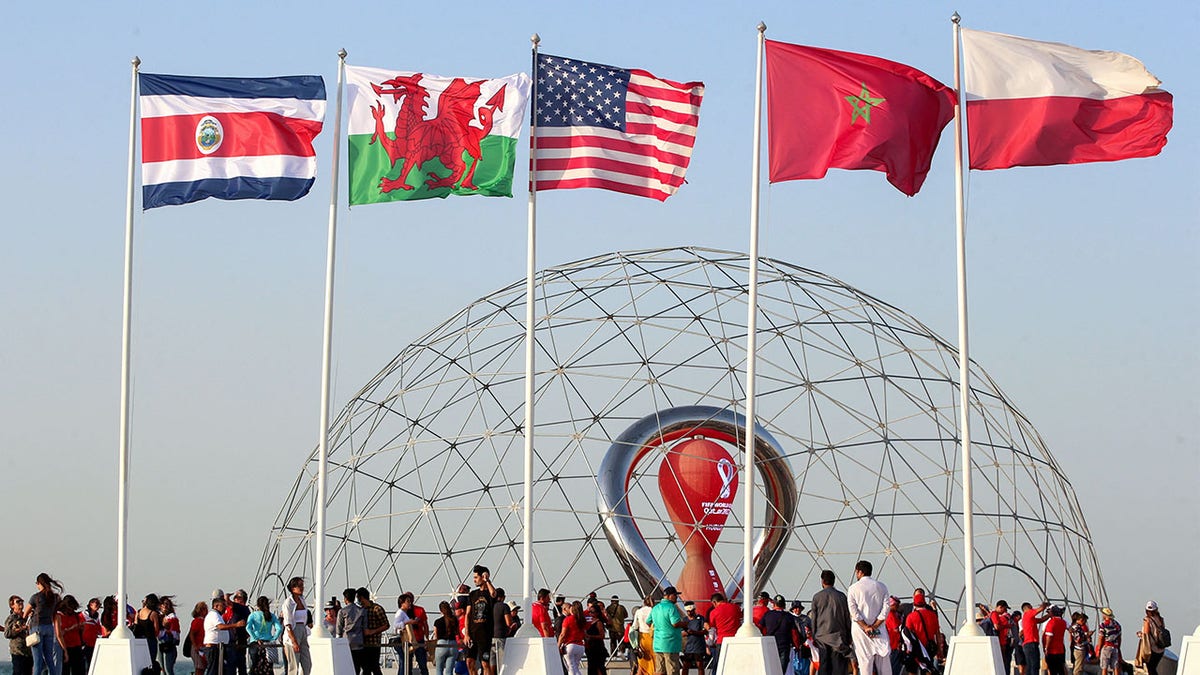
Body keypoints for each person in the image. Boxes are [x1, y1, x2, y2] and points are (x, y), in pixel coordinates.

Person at [846, 561, 890, 675]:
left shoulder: (853, 588)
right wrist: (875, 625)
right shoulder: (882, 586)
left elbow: (854, 612)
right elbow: (886, 609)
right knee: (884, 662)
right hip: (879, 629)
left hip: (860, 630)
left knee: (865, 662)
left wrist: (865, 626)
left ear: (860, 572)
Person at [811, 569, 852, 675]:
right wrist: (849, 637)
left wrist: (814, 636)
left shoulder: (817, 597)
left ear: (822, 581)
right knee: (838, 667)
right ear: (834, 581)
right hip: (838, 638)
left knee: (824, 666)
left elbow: (814, 619)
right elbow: (847, 618)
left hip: (822, 637)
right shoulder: (841, 596)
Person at [24, 572, 65, 675]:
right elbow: (54, 612)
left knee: (38, 660)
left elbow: (25, 614)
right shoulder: (55, 597)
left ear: (39, 583)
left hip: (37, 627)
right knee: (49, 659)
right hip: (49, 627)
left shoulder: (35, 597)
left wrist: (33, 611)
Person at [646, 586, 686, 675]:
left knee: (659, 670)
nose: (676, 597)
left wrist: (658, 627)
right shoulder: (671, 607)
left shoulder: (656, 608)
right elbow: (675, 623)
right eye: (675, 595)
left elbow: (648, 622)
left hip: (658, 643)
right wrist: (686, 624)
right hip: (670, 644)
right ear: (669, 596)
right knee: (672, 669)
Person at [465, 565, 497, 675]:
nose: (474, 580)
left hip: (485, 635)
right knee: (469, 662)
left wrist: (487, 580)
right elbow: (468, 614)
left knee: (485, 663)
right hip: (473, 633)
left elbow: (494, 594)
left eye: (476, 577)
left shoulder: (489, 593)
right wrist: (467, 634)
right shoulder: (473, 594)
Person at [282, 577, 313, 675]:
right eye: (299, 586)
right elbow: (288, 623)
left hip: (303, 630)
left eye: (302, 585)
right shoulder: (288, 603)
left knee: (307, 663)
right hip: (293, 631)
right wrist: (294, 641)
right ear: (293, 588)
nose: (302, 588)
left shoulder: (302, 600)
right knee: (294, 665)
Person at [903, 590, 939, 674]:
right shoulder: (933, 615)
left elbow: (908, 634)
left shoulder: (911, 617)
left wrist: (907, 650)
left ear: (914, 604)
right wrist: (939, 650)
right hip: (929, 647)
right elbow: (937, 633)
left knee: (912, 670)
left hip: (916, 648)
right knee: (927, 668)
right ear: (924, 603)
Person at [247, 596, 283, 675]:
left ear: (258, 605)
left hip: (256, 643)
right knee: (268, 667)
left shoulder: (253, 615)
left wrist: (256, 638)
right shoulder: (271, 616)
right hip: (268, 643)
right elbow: (279, 628)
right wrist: (273, 638)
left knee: (255, 666)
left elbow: (248, 628)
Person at [705, 593, 740, 675]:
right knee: (734, 664)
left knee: (719, 665)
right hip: (735, 639)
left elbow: (712, 628)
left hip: (721, 640)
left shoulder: (713, 612)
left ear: (714, 602)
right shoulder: (735, 607)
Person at [761, 595, 798, 671]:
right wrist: (797, 645)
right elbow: (794, 633)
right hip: (784, 646)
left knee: (771, 669)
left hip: (770, 645)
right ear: (784, 605)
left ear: (774, 604)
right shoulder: (789, 616)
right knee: (781, 670)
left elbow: (760, 628)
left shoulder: (767, 615)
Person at [358, 588, 389, 675]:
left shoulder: (377, 609)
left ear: (362, 598)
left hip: (374, 643)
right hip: (363, 643)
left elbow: (386, 625)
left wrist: (372, 631)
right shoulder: (361, 610)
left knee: (374, 666)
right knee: (366, 667)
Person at [204, 596, 235, 675]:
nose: (225, 608)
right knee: (213, 671)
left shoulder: (218, 616)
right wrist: (236, 625)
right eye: (223, 605)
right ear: (216, 606)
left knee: (220, 670)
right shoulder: (214, 615)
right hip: (213, 647)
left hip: (219, 648)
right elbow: (220, 626)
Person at [336, 589, 364, 675]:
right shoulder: (361, 610)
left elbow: (339, 628)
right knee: (356, 666)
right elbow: (364, 626)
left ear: (345, 599)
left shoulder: (342, 611)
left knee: (346, 665)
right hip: (359, 641)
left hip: (346, 641)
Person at [1019, 601, 1050, 675]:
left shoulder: (1028, 618)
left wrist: (1049, 615)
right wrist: (1045, 605)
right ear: (1027, 608)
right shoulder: (1028, 614)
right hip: (1031, 643)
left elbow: (1041, 620)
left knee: (1030, 665)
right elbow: (1040, 609)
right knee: (1034, 665)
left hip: (1028, 644)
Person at [59, 596, 87, 675]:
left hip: (77, 646)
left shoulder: (76, 616)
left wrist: (81, 627)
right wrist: (71, 628)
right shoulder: (59, 616)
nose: (71, 611)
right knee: (65, 671)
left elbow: (83, 627)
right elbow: (59, 633)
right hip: (65, 647)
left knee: (79, 670)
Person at [1137, 601, 1167, 675]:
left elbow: (1146, 635)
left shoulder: (1147, 620)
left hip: (1152, 649)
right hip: (1160, 648)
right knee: (1153, 668)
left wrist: (1140, 634)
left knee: (1151, 669)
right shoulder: (1161, 619)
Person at [559, 600, 587, 675]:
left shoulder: (568, 619)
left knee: (570, 667)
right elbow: (584, 634)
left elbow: (562, 634)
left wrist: (558, 645)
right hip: (580, 646)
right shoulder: (582, 620)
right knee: (576, 667)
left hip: (570, 645)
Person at [7, 595, 33, 675]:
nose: (21, 603)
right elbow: (7, 633)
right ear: (12, 605)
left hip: (29, 651)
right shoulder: (12, 618)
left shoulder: (27, 617)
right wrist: (21, 628)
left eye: (22, 601)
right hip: (18, 652)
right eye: (18, 602)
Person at [680, 602, 707, 675]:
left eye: (690, 611)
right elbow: (682, 633)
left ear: (694, 609)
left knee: (700, 666)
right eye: (687, 611)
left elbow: (705, 631)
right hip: (688, 647)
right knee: (685, 666)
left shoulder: (701, 618)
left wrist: (694, 632)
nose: (689, 613)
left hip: (699, 646)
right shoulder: (684, 620)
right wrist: (688, 632)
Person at [491, 588, 514, 671]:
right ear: (503, 597)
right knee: (502, 664)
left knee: (492, 663)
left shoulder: (491, 606)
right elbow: (509, 622)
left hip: (490, 637)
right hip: (500, 637)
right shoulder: (504, 606)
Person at [987, 601, 1013, 674]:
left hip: (1001, 641)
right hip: (1000, 642)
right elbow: (997, 627)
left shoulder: (994, 614)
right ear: (1000, 607)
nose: (1005, 611)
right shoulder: (994, 614)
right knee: (1002, 661)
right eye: (1004, 609)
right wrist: (1007, 626)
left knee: (1004, 661)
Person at [584, 600, 609, 675]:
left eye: (593, 612)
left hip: (597, 647)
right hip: (590, 647)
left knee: (598, 667)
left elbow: (602, 636)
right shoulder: (589, 622)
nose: (591, 614)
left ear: (597, 613)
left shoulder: (598, 622)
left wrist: (590, 636)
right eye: (590, 612)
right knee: (592, 667)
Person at [1041, 605, 1068, 675]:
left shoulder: (1052, 622)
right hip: (1060, 649)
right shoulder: (1063, 622)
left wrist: (1046, 648)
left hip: (1052, 650)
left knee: (1052, 669)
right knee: (1061, 669)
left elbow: (1049, 636)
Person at [432, 602, 458, 675]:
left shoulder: (437, 622)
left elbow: (436, 635)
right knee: (449, 671)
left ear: (441, 610)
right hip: (453, 644)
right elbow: (457, 632)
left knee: (439, 670)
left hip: (441, 644)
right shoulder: (454, 620)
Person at [631, 596, 655, 675]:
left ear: (644, 602)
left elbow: (634, 626)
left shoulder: (638, 611)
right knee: (654, 661)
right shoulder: (654, 610)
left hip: (642, 637)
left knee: (642, 662)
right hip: (653, 637)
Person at [791, 600, 815, 675]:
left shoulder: (807, 619)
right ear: (792, 609)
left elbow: (812, 630)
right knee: (795, 666)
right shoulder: (790, 618)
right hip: (794, 647)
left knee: (805, 666)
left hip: (806, 646)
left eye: (799, 608)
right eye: (795, 608)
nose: (797, 610)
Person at [1095, 607, 1121, 675]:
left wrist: (1099, 649)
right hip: (1115, 646)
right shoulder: (1117, 624)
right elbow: (1119, 637)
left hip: (1106, 646)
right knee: (1115, 666)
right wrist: (1118, 647)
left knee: (1104, 666)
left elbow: (1101, 638)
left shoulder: (1103, 625)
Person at [159, 596, 182, 675]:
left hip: (169, 646)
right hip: (160, 645)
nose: (165, 606)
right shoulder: (159, 617)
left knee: (168, 670)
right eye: (163, 604)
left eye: (167, 604)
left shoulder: (172, 617)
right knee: (162, 670)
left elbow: (175, 635)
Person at [883, 598, 903, 675]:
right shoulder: (891, 614)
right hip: (893, 644)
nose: (898, 607)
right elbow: (896, 629)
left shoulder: (893, 614)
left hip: (893, 644)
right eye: (897, 605)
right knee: (894, 666)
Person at [189, 602, 210, 675]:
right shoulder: (197, 621)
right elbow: (192, 633)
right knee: (199, 669)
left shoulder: (204, 621)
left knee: (202, 668)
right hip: (198, 648)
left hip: (202, 647)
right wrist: (195, 645)